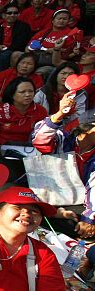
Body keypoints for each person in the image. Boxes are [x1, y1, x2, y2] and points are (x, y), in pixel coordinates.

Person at [33, 95, 95, 240]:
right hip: (44, 192)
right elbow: (39, 140)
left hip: (76, 200)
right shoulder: (63, 139)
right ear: (85, 130)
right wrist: (60, 113)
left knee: (78, 225)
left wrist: (89, 218)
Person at [0, 76, 48, 154]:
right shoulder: (0, 110)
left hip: (29, 149)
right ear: (12, 94)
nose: (27, 94)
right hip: (1, 149)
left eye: (31, 91)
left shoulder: (40, 110)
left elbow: (44, 134)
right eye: (22, 92)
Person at [0, 4, 32, 72]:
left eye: (15, 13)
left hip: (13, 50)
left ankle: (1, 74)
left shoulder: (24, 27)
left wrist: (6, 49)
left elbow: (20, 44)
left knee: (5, 55)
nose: (12, 15)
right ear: (3, 15)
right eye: (9, 13)